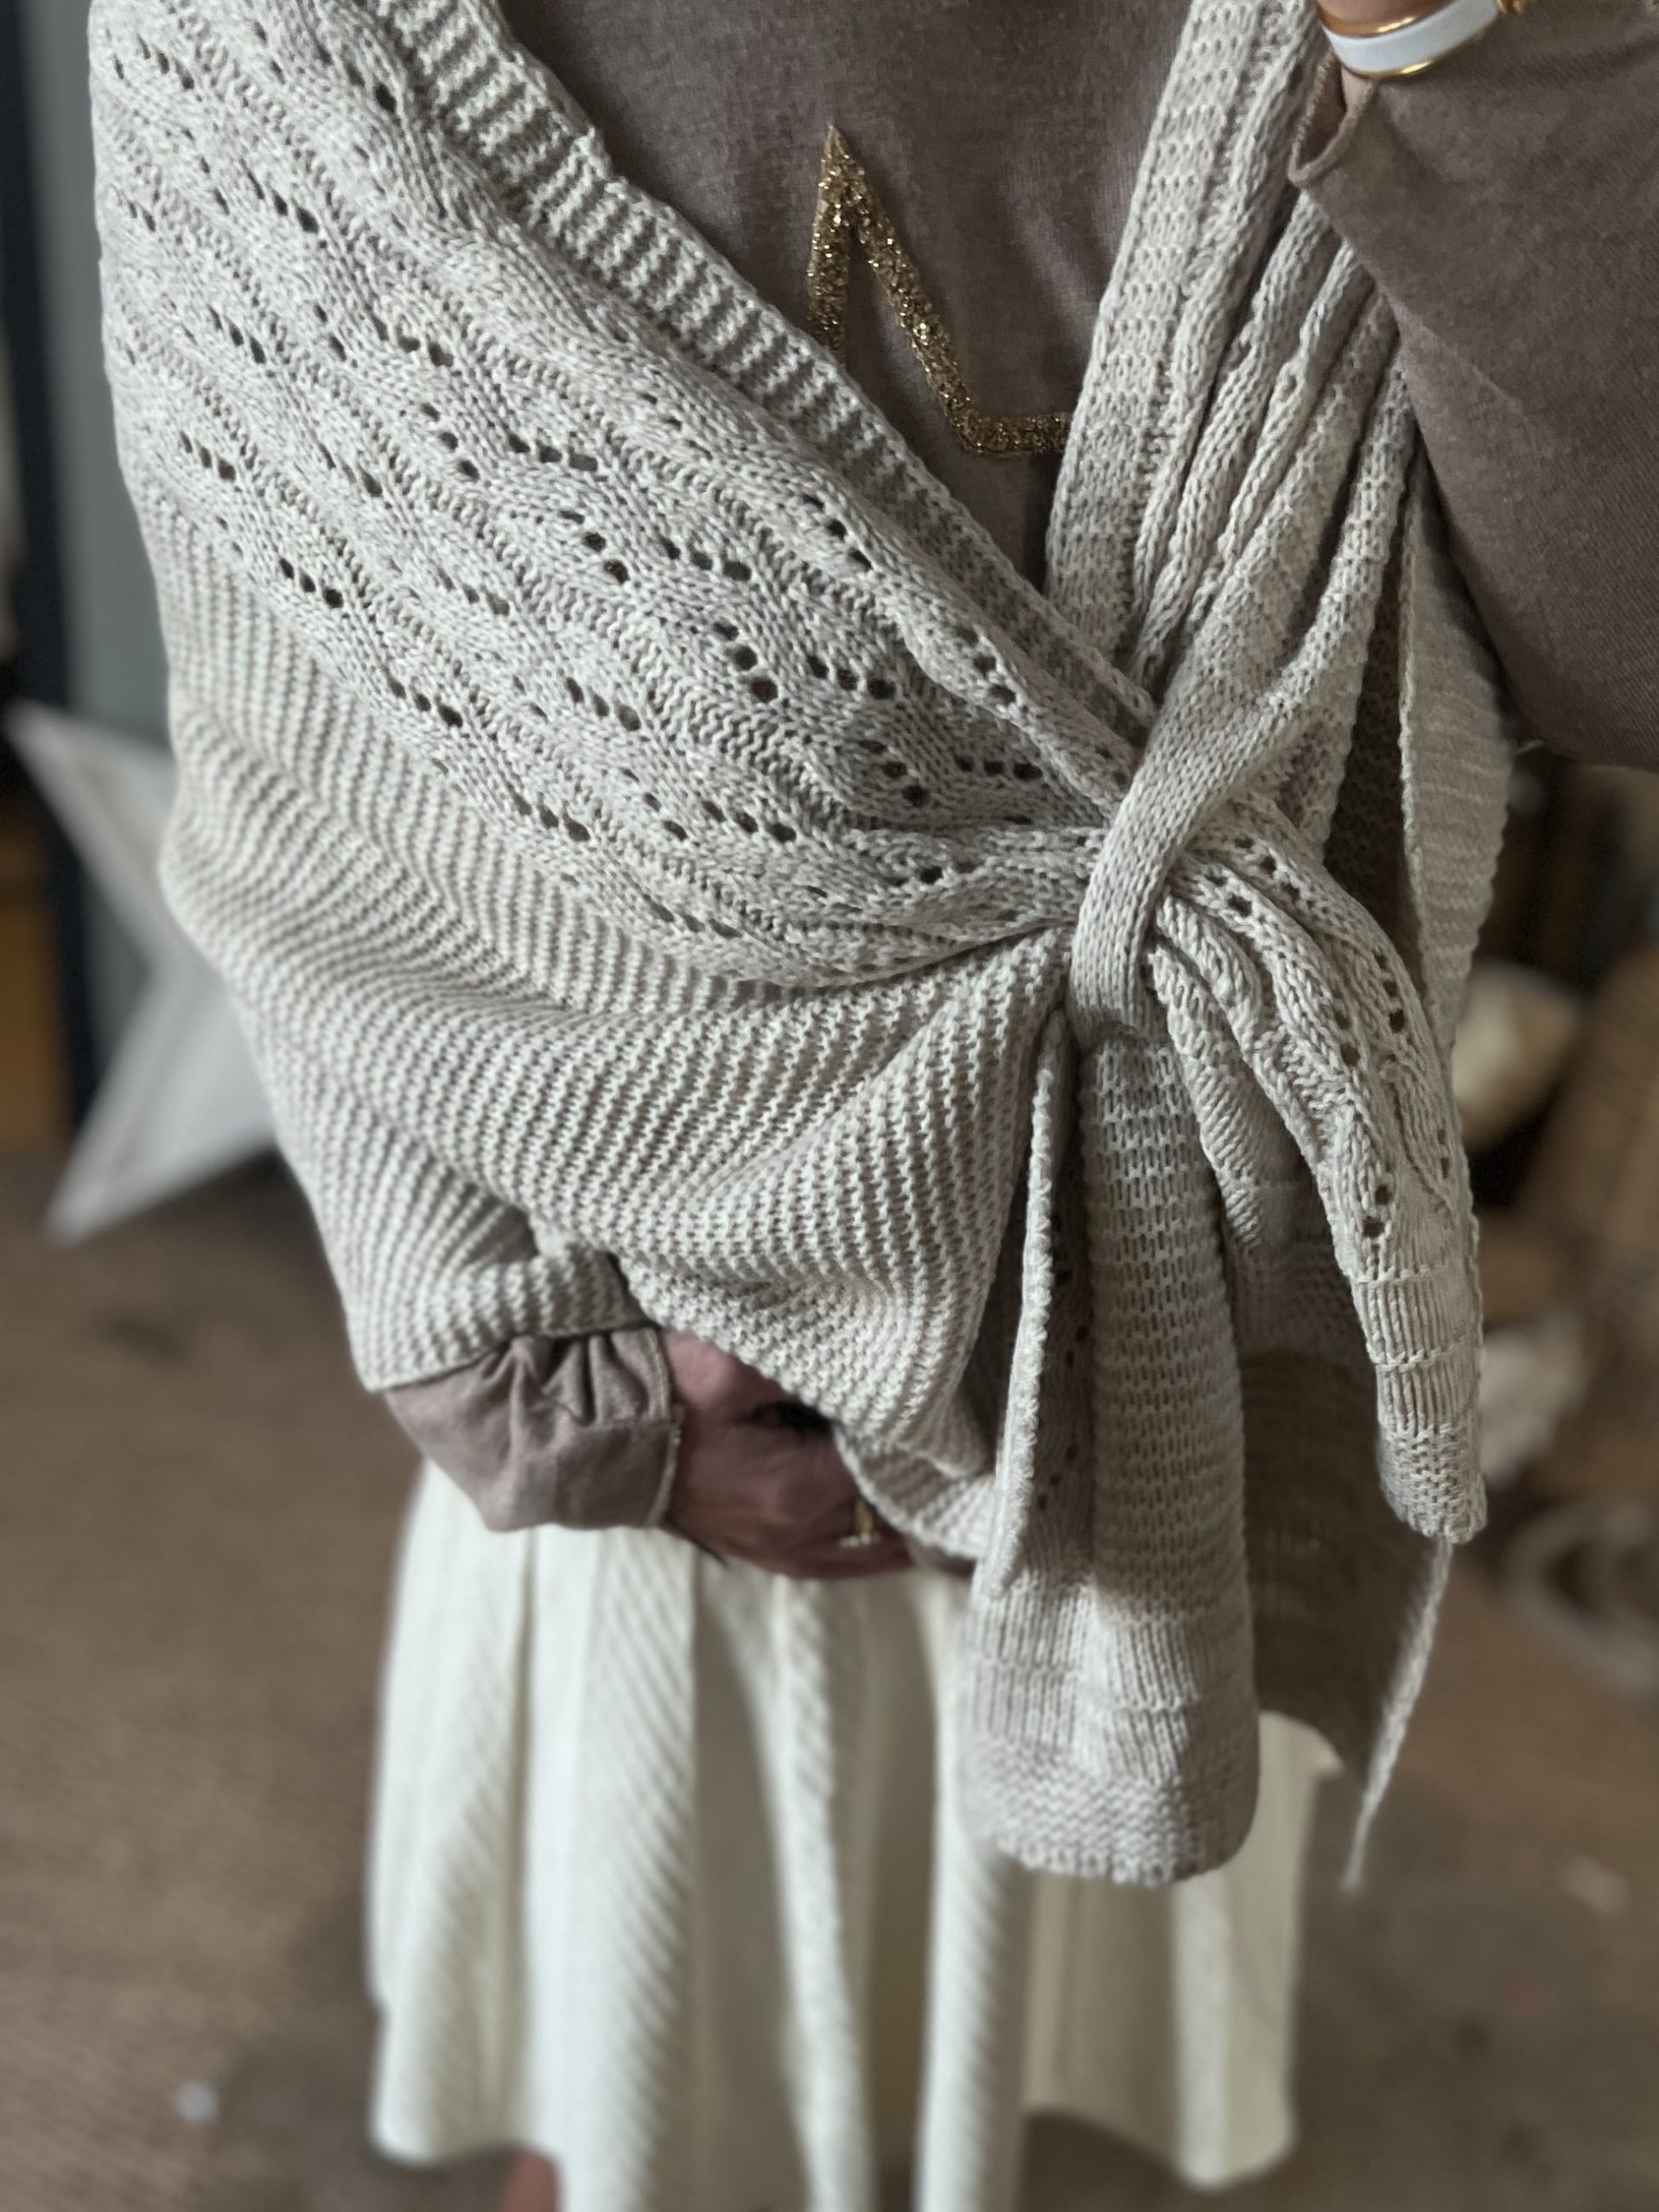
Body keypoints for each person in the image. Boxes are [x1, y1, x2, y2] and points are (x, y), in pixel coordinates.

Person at [88, 0, 1656, 2207]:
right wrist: (550, 1394)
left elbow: (1625, 637)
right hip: (675, 1346)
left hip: (1174, 1357)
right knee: (652, 2064)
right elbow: (280, 711)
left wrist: (1458, 44)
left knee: (1001, 2079)